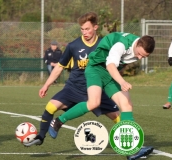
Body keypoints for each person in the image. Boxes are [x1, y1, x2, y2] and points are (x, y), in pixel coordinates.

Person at [48, 32, 155, 159]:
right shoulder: (121, 44)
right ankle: (58, 121)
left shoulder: (139, 46)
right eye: (140, 54)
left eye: (144, 56)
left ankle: (130, 150)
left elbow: (116, 66)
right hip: (95, 68)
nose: (139, 58)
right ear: (137, 44)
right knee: (94, 103)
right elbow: (110, 65)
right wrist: (122, 82)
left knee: (127, 105)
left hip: (109, 73)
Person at [24, 12, 120, 147]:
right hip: (74, 87)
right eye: (82, 29)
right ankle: (40, 137)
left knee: (118, 118)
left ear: (95, 27)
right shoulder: (73, 46)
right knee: (50, 107)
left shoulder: (104, 45)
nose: (84, 32)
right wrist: (46, 85)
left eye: (87, 29)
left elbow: (112, 65)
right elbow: (59, 68)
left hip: (96, 88)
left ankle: (132, 145)